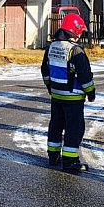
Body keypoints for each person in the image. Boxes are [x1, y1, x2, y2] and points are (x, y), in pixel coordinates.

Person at [41, 13, 95, 173]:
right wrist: (91, 93)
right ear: (75, 31)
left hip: (56, 95)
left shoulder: (51, 46)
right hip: (74, 98)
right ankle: (70, 162)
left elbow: (45, 70)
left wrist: (50, 87)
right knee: (74, 129)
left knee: (56, 126)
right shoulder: (75, 50)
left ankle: (53, 156)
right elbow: (85, 75)